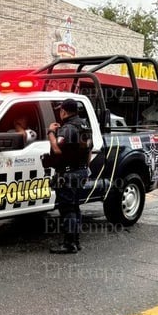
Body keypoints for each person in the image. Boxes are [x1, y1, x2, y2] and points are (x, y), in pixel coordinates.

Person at [47, 99, 93, 254]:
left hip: (68, 173)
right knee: (75, 207)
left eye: (60, 110)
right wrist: (85, 169)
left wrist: (51, 133)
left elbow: (57, 149)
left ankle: (69, 244)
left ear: (64, 112)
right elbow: (89, 151)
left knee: (67, 209)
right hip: (80, 171)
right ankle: (76, 241)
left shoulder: (68, 128)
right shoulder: (85, 126)